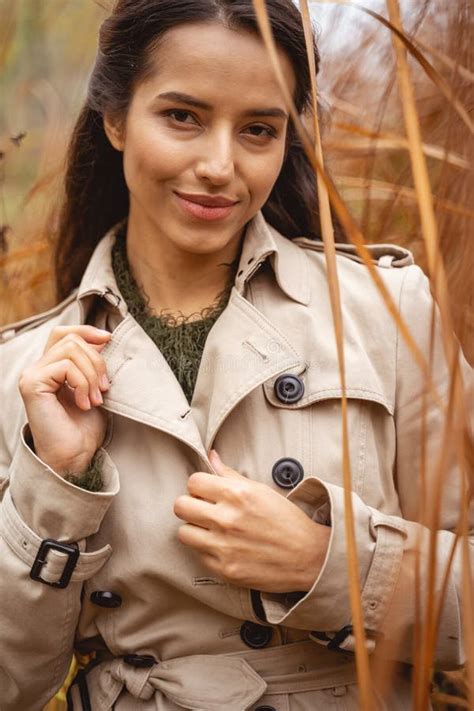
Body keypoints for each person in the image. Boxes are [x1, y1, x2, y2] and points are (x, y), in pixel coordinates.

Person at [0, 1, 471, 709]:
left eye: (258, 129)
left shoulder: (385, 310)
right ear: (117, 118)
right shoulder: (27, 371)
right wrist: (54, 486)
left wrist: (327, 561)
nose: (220, 166)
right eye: (182, 116)